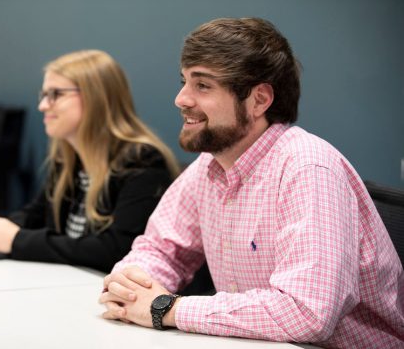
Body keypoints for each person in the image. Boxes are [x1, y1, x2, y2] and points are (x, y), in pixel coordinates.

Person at [99, 18, 404, 348]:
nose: (181, 99)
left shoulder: (308, 167)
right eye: (184, 81)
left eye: (203, 86)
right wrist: (129, 288)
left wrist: (167, 309)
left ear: (259, 100)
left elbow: (307, 313)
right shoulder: (209, 167)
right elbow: (160, 250)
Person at [0, 50, 180, 272]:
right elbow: (35, 214)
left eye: (55, 94)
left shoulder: (143, 161)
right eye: (43, 95)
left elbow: (116, 250)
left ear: (95, 97)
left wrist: (17, 240)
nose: (43, 106)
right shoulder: (68, 158)